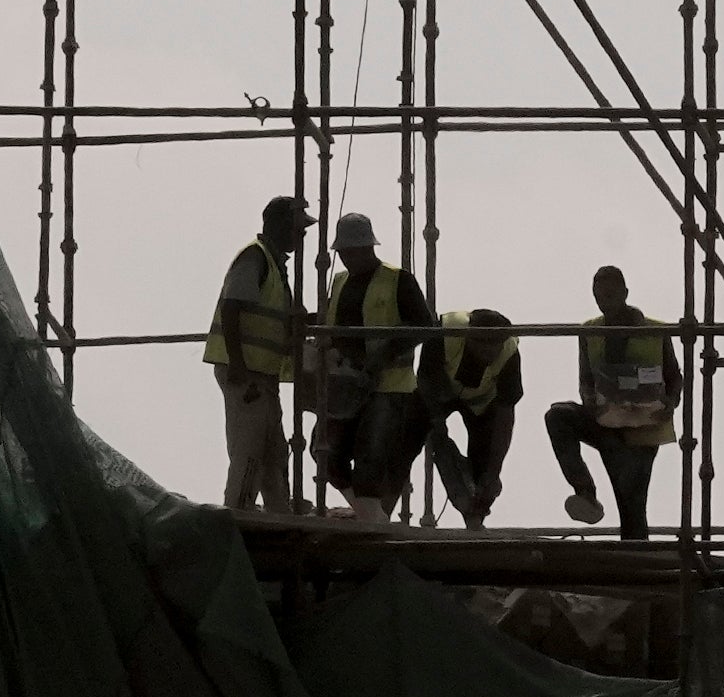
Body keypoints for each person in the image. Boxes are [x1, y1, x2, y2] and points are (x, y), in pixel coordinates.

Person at [541, 265, 678, 541]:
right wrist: (591, 401)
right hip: (606, 422)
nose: (605, 302)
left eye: (611, 295)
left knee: (632, 506)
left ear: (625, 293)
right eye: (599, 296)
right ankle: (585, 492)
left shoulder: (655, 331)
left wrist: (670, 403)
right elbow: (586, 379)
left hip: (642, 429)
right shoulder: (589, 331)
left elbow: (674, 376)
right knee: (558, 416)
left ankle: (636, 567)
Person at [307, 212, 430, 519]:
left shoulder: (397, 279)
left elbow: (424, 327)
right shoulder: (339, 281)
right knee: (326, 453)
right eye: (344, 253)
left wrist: (384, 354)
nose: (348, 259)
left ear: (369, 248)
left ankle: (371, 517)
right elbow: (331, 323)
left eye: (353, 252)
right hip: (345, 382)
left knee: (371, 456)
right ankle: (368, 515)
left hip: (387, 386)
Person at [203, 195, 311, 511]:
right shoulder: (256, 257)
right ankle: (239, 513)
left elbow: (272, 318)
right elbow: (232, 307)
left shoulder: (274, 264)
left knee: (274, 450)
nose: (302, 235)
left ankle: (279, 514)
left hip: (262, 374)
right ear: (280, 225)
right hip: (245, 372)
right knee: (249, 449)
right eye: (298, 228)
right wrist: (237, 364)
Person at [420, 307, 524, 528]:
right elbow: (426, 386)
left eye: (495, 344)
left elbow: (506, 417)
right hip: (441, 392)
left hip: (483, 403)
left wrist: (493, 472)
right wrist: (438, 433)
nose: (491, 351)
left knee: (485, 464)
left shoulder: (509, 353)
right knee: (422, 430)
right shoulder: (445, 335)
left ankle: (475, 516)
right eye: (483, 343)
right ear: (470, 338)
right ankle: (379, 504)